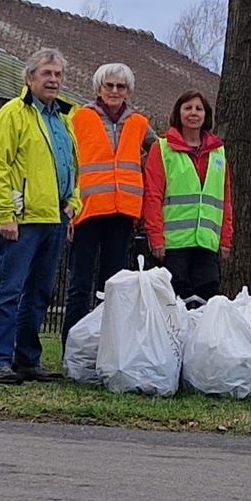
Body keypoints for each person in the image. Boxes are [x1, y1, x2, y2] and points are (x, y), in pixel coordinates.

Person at [0, 48, 80, 384]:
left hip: (55, 218)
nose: (53, 80)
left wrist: (73, 203)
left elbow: (72, 167)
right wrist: (3, 213)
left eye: (58, 75)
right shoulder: (13, 114)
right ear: (30, 78)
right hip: (21, 220)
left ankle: (27, 359)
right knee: (9, 290)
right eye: (46, 74)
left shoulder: (64, 119)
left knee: (39, 293)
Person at [61, 63, 156, 349]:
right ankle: (72, 346)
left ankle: (108, 346)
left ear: (129, 91)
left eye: (121, 87)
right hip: (87, 211)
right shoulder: (79, 117)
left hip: (122, 213)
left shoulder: (139, 123)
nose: (115, 91)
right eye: (109, 86)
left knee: (113, 285)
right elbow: (67, 162)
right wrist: (68, 208)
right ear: (98, 88)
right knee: (79, 283)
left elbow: (159, 153)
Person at [143, 90, 233, 301]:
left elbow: (225, 199)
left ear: (206, 115)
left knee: (206, 301)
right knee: (173, 302)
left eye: (198, 108)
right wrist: (156, 237)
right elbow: (153, 196)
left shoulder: (218, 152)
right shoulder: (163, 149)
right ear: (179, 113)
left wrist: (225, 239)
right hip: (173, 244)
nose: (193, 113)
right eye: (188, 108)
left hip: (206, 243)